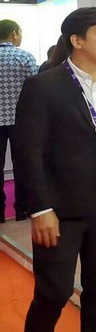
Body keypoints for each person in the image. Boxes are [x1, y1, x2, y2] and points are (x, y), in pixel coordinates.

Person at [12, 7, 96, 331]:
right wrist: (41, 208)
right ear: (77, 40)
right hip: (60, 208)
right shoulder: (43, 86)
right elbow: (28, 151)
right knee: (53, 293)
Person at [0, 19, 38, 222]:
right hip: (20, 119)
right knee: (22, 165)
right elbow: (36, 86)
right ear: (14, 33)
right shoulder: (24, 56)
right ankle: (22, 209)